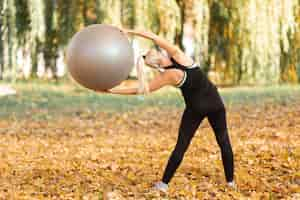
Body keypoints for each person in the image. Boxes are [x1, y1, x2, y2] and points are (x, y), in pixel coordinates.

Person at [100, 28, 235, 193]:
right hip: (215, 103)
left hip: (195, 109)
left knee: (182, 145)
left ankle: (164, 184)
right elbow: (154, 36)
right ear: (160, 55)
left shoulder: (167, 76)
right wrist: (128, 31)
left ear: (153, 66)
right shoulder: (179, 56)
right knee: (223, 141)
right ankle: (230, 182)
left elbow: (140, 89)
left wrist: (112, 91)